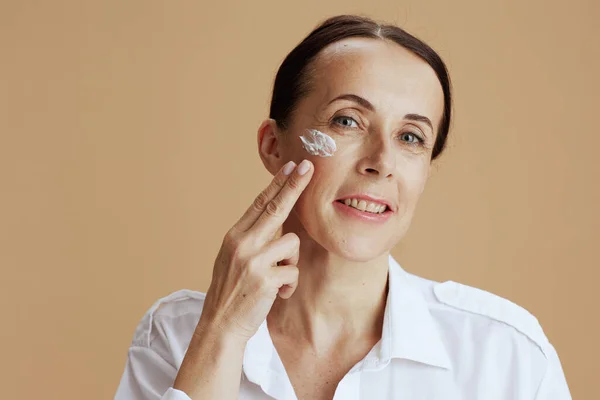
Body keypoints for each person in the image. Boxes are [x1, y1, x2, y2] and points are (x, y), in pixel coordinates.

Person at [114, 14, 571, 400]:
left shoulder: (506, 355)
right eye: (347, 120)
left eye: (411, 137)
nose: (381, 163)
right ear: (274, 145)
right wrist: (221, 336)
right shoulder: (176, 337)